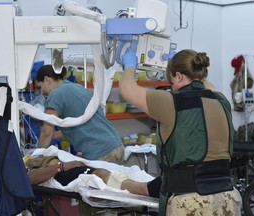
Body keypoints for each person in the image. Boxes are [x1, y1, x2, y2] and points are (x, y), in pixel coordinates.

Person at [119, 48, 242, 215]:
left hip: (192, 202)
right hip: (227, 198)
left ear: (179, 76)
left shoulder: (170, 101)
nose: (173, 87)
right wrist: (186, 70)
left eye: (172, 81)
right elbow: (203, 84)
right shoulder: (221, 100)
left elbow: (126, 88)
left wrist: (129, 65)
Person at [35, 65, 124, 164]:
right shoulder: (76, 87)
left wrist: (37, 157)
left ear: (47, 80)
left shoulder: (55, 95)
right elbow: (79, 125)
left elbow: (46, 133)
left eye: (40, 87)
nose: (41, 92)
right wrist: (53, 136)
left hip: (101, 153)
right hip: (116, 147)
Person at [25, 155, 161, 198]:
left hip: (84, 169)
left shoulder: (60, 162)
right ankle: (145, 188)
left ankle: (149, 185)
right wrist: (61, 166)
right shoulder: (40, 171)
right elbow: (29, 178)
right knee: (101, 175)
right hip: (76, 177)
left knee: (110, 173)